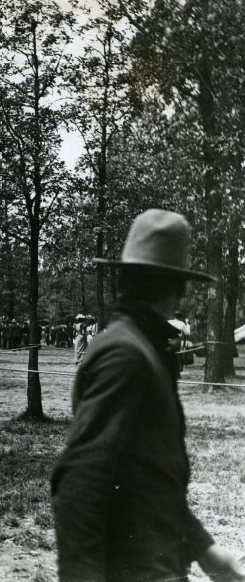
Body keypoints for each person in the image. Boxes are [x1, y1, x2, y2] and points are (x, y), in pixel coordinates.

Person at [51, 209, 245, 582]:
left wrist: (205, 549)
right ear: (177, 287)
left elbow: (152, 479)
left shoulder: (142, 347)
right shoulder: (125, 353)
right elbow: (78, 481)